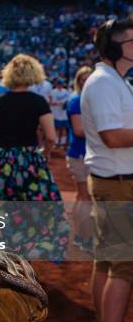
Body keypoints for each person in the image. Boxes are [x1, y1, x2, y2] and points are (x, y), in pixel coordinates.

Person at [82, 17, 133, 322]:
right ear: (116, 48)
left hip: (114, 181)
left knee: (106, 262)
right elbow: (113, 136)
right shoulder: (103, 83)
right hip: (117, 184)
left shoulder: (114, 80)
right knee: (124, 268)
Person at [0, 54, 68, 259]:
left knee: (0, 209)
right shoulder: (39, 101)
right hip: (30, 161)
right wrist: (44, 155)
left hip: (2, 162)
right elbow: (51, 136)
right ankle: (30, 252)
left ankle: (4, 255)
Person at [66, 66, 93, 251]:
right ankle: (84, 238)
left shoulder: (89, 100)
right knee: (85, 197)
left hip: (85, 153)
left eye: (88, 79)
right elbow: (79, 130)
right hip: (79, 153)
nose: (85, 82)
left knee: (81, 196)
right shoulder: (76, 100)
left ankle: (78, 235)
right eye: (82, 79)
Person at [50, 77, 70, 148]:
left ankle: (62, 143)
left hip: (64, 113)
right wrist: (58, 103)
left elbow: (68, 101)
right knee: (57, 128)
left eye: (61, 84)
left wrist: (64, 104)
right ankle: (56, 143)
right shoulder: (53, 92)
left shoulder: (65, 91)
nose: (60, 85)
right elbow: (51, 103)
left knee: (64, 128)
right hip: (56, 113)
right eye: (59, 84)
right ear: (56, 84)